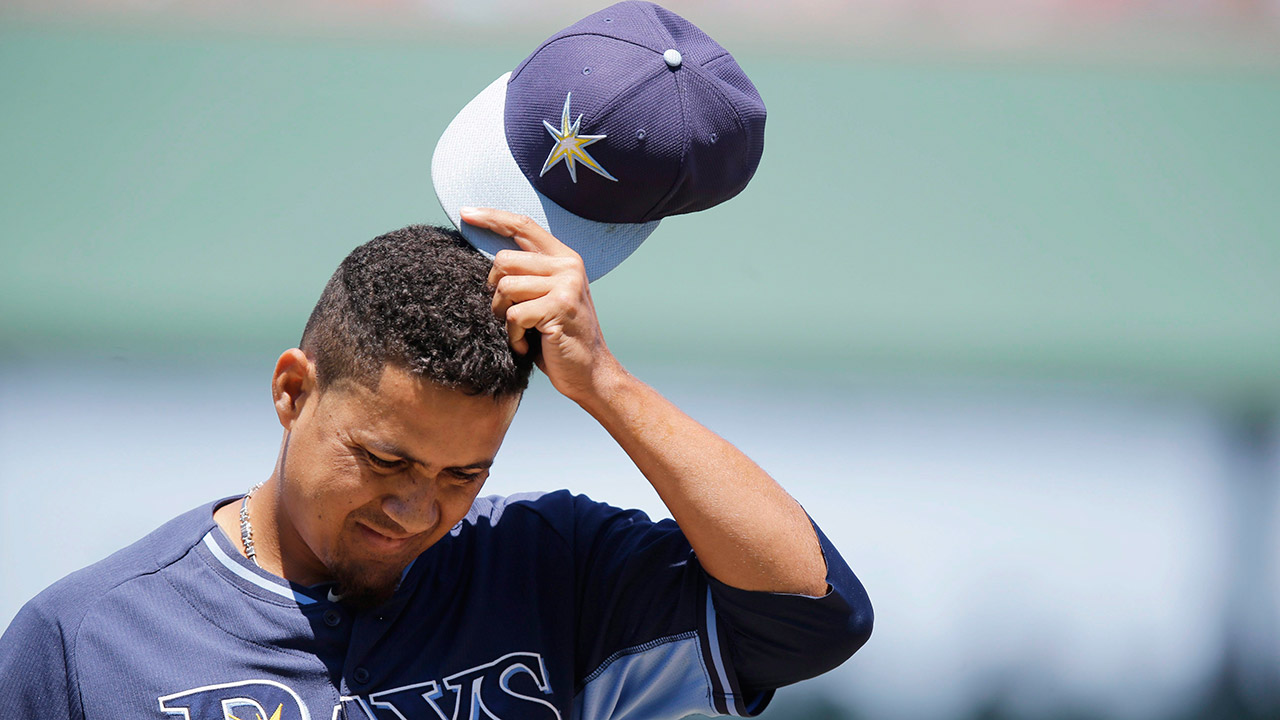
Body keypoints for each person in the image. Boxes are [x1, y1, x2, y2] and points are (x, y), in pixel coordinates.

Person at [0, 216, 871, 720]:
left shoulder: (545, 569)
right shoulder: (83, 642)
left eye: (465, 475)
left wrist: (605, 384)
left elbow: (813, 616)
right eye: (384, 459)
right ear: (292, 391)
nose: (417, 511)